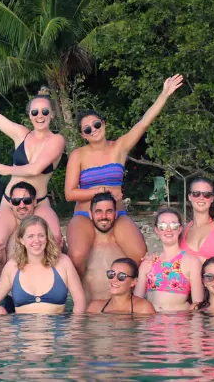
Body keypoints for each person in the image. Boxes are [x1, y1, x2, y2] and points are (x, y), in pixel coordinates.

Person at [65, 74, 184, 278]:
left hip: (117, 213)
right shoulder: (78, 155)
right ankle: (82, 298)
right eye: (87, 129)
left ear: (103, 124)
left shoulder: (119, 148)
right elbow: (69, 193)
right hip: (85, 214)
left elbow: (144, 123)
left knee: (140, 255)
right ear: (82, 135)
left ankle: (137, 298)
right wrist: (102, 191)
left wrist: (164, 95)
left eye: (96, 124)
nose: (93, 130)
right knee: (76, 256)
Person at [0, 64, 65, 264]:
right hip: (10, 202)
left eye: (45, 112)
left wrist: (7, 169)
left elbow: (36, 168)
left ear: (52, 115)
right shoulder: (21, 133)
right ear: (29, 114)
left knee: (56, 239)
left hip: (38, 204)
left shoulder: (57, 140)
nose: (40, 116)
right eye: (35, 112)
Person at [0, 215, 86, 314]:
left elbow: (79, 300)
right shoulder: (12, 267)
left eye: (41, 235)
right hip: (22, 330)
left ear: (47, 238)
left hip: (57, 329)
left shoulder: (63, 262)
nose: (36, 240)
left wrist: (74, 328)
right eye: (30, 236)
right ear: (21, 240)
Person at [134, 207, 204, 311]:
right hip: (150, 324)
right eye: (162, 226)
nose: (168, 229)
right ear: (156, 230)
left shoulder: (191, 262)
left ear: (180, 229)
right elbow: (136, 302)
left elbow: (197, 304)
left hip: (179, 323)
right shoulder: (148, 262)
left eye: (173, 225)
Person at [79, 192, 136, 302]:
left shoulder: (125, 247)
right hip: (90, 316)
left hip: (121, 316)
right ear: (90, 214)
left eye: (109, 211)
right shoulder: (83, 249)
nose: (104, 217)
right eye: (98, 212)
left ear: (115, 214)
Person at [0, 181, 38, 285]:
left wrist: (63, 247)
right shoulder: (6, 237)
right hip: (10, 294)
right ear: (11, 204)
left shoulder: (42, 231)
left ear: (35, 201)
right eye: (16, 201)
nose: (21, 205)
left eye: (26, 200)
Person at [86, 258, 155, 315]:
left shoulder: (143, 308)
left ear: (133, 282)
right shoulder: (95, 308)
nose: (114, 279)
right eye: (111, 274)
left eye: (121, 276)